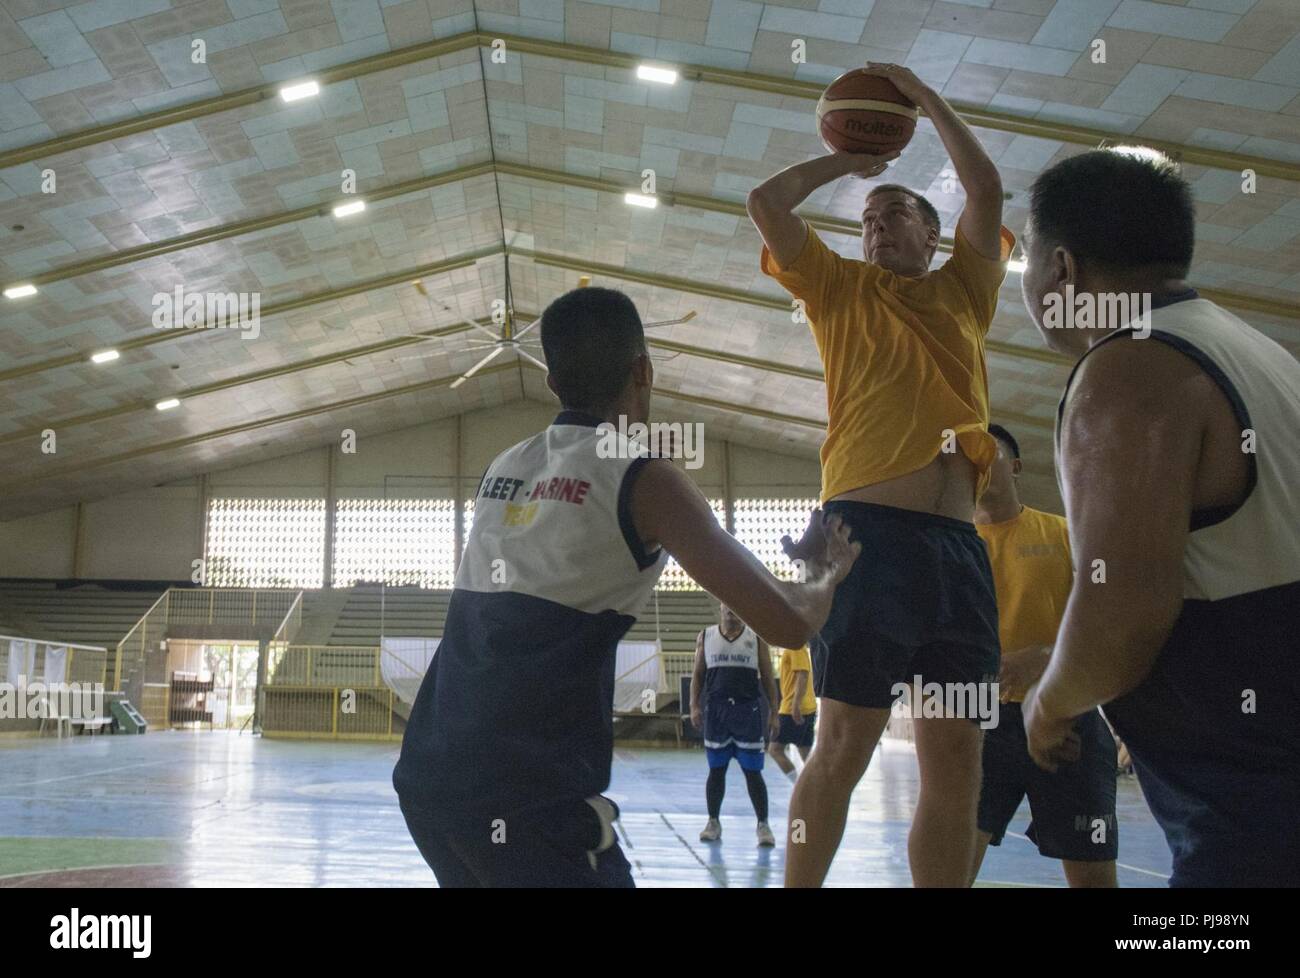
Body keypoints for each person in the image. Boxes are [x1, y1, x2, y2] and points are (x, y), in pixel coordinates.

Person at [392, 286, 859, 887]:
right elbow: (788, 623)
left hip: (429, 779)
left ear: (553, 382)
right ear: (643, 370)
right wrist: (825, 571)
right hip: (525, 796)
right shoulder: (644, 479)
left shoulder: (504, 465)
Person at [749, 62, 1013, 887]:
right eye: (867, 220)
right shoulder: (838, 289)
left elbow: (988, 190)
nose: (876, 226)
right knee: (842, 750)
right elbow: (767, 204)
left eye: (894, 213)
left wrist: (924, 104)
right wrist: (852, 164)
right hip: (867, 543)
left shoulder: (964, 289)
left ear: (931, 236)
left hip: (956, 553)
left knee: (958, 765)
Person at [1018, 148, 1300, 887]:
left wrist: (1051, 703)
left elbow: (1125, 608)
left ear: (1063, 270)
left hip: (1255, 795)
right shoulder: (1255, 350)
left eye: (1029, 256)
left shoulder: (1130, 368)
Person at [970, 424, 1117, 887]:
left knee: (1092, 875)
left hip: (1064, 719)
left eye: (988, 455)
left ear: (1014, 467)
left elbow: (1111, 623)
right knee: (947, 869)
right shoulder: (953, 547)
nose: (977, 465)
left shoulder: (1063, 535)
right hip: (980, 727)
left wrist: (1050, 658)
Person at [691, 604, 778, 847]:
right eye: (727, 606)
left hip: (747, 712)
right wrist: (694, 706)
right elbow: (697, 675)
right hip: (717, 712)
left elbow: (769, 677)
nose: (732, 610)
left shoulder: (756, 639)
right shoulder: (706, 636)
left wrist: (774, 713)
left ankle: (763, 825)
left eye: (736, 607)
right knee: (716, 771)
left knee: (753, 772)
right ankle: (713, 822)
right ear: (720, 608)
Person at [768, 642, 816, 782]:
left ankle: (799, 786)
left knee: (775, 750)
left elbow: (803, 674)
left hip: (792, 709)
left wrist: (795, 705)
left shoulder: (795, 646)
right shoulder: (795, 647)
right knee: (806, 754)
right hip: (806, 707)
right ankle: (816, 789)